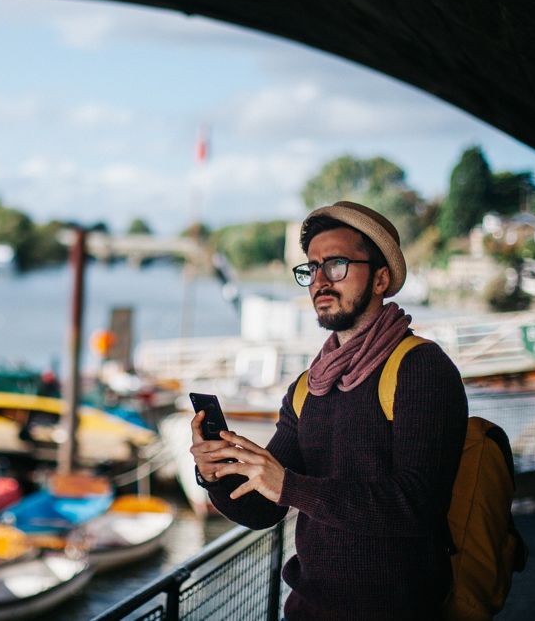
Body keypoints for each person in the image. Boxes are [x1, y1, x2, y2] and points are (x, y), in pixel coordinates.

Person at [190, 201, 468, 620]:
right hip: (306, 610)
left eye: (336, 264)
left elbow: (415, 505)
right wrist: (215, 476)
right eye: (311, 269)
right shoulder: (308, 386)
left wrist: (290, 485)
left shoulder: (420, 368)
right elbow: (266, 508)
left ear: (381, 278)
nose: (319, 281)